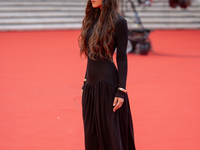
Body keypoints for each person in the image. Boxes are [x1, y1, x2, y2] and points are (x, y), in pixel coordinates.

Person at [79, 0, 136, 149]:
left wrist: (121, 90)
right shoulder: (91, 19)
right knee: (91, 135)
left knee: (111, 136)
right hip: (90, 88)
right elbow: (91, 55)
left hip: (108, 87)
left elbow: (122, 57)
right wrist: (85, 83)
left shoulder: (119, 22)